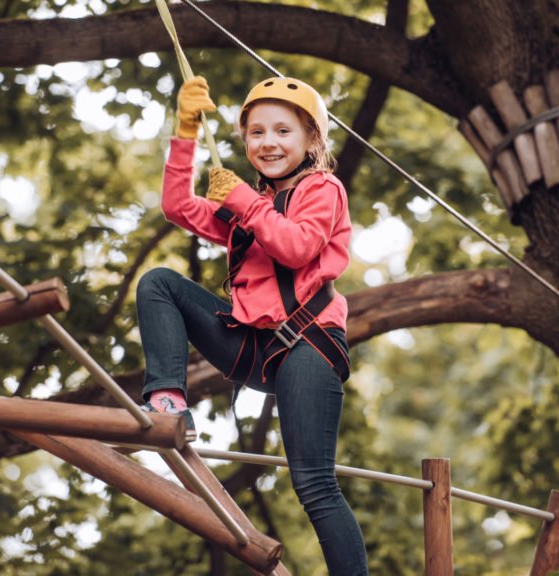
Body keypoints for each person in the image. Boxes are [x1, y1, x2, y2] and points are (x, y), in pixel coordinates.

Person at [135, 75, 368, 574]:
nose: (268, 143)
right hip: (251, 344)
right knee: (159, 282)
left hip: (308, 345)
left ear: (312, 140)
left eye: (283, 131)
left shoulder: (322, 189)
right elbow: (178, 206)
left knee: (314, 485)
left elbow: (298, 246)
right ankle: (168, 401)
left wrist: (244, 201)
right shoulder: (246, 203)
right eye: (256, 133)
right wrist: (186, 131)